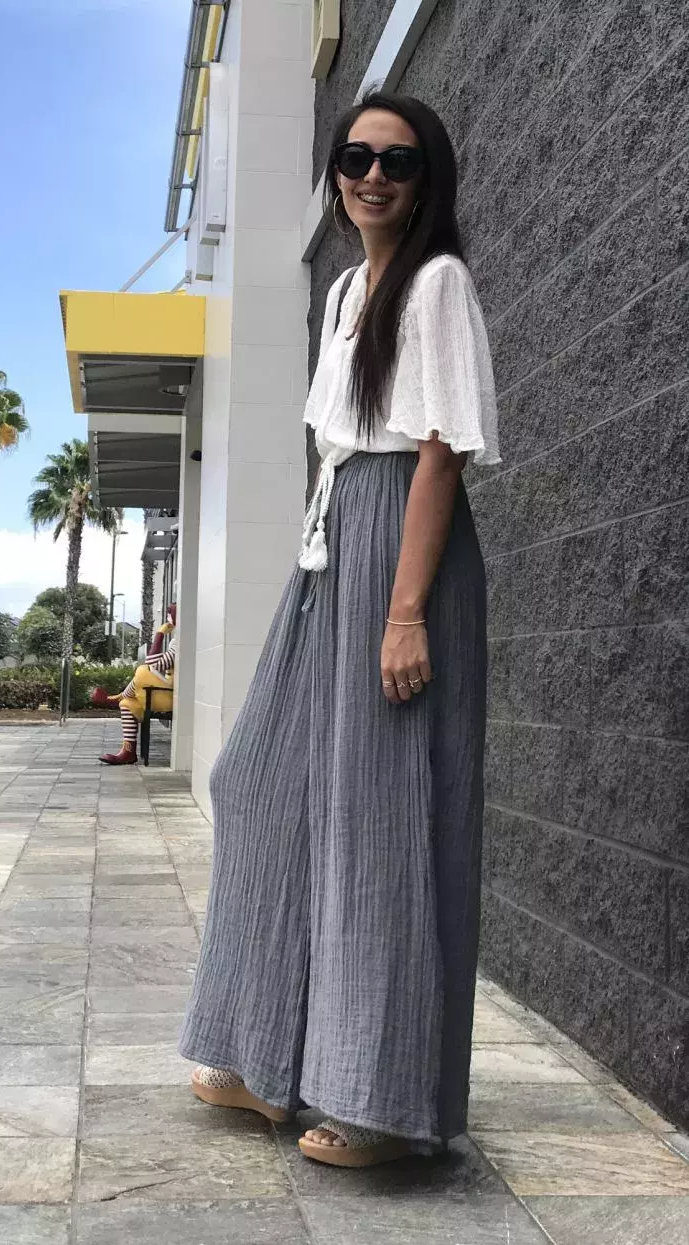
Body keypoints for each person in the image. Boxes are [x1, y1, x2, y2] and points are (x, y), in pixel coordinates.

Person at [179, 90, 500, 1168]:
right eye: (355, 157)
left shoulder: (437, 282)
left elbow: (440, 449)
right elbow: (343, 451)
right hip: (335, 543)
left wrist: (404, 611)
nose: (371, 176)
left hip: (400, 548)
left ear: (426, 179)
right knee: (260, 781)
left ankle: (382, 1103)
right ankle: (267, 1056)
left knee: (378, 815)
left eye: (396, 161)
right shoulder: (345, 294)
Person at [91, 603, 177, 765]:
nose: (168, 621)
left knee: (142, 671)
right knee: (127, 704)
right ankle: (128, 752)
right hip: (164, 693)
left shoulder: (180, 643)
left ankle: (116, 697)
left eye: (169, 616)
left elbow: (152, 663)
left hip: (171, 697)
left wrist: (159, 634)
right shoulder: (177, 643)